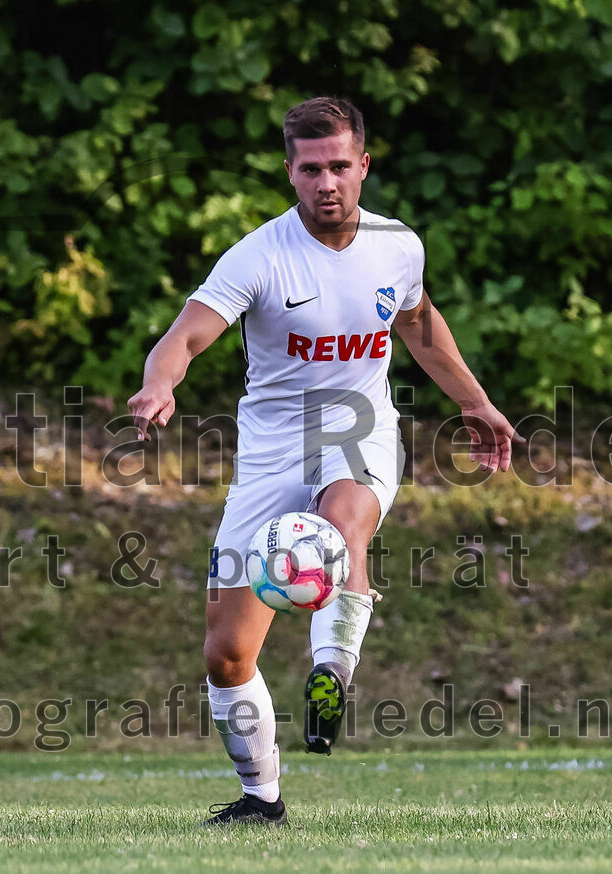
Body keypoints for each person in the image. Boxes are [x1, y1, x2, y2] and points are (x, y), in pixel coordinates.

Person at [127, 96, 524, 825]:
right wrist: (159, 384)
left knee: (340, 525)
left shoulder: (397, 246)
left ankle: (331, 669)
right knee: (225, 655)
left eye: (340, 165)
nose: (327, 182)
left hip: (360, 427)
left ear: (364, 165)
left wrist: (475, 402)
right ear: (291, 173)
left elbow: (419, 326)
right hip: (272, 448)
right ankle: (262, 798)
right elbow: (184, 337)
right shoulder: (259, 256)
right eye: (311, 169)